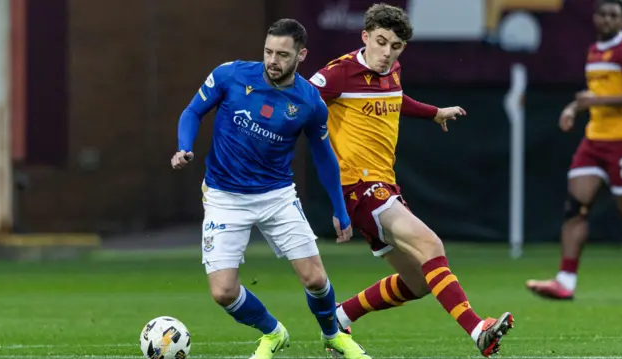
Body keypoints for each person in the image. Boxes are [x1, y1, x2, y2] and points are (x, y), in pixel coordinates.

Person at [308, 3, 514, 357]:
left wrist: (433, 113)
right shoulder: (338, 75)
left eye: (396, 46)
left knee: (418, 283)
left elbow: (395, 98)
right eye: (381, 42)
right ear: (365, 37)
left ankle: (340, 315)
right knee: (431, 246)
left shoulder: (393, 71)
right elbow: (296, 102)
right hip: (359, 188)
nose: (387, 53)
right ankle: (478, 329)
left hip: (383, 185)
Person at [171, 18, 371, 359]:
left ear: (301, 55)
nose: (272, 61)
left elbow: (324, 158)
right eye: (268, 52)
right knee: (222, 292)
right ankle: (273, 332)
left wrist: (340, 209)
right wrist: (184, 146)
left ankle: (333, 335)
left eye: (282, 54)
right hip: (224, 197)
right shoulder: (229, 75)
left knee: (315, 279)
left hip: (276, 196)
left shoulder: (310, 102)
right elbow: (192, 111)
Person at [526, 0, 622, 300]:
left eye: (614, 15)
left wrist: (591, 103)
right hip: (594, 141)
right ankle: (565, 281)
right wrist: (573, 108)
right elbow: (595, 95)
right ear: (595, 17)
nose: (607, 19)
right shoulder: (594, 51)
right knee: (575, 209)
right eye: (603, 14)